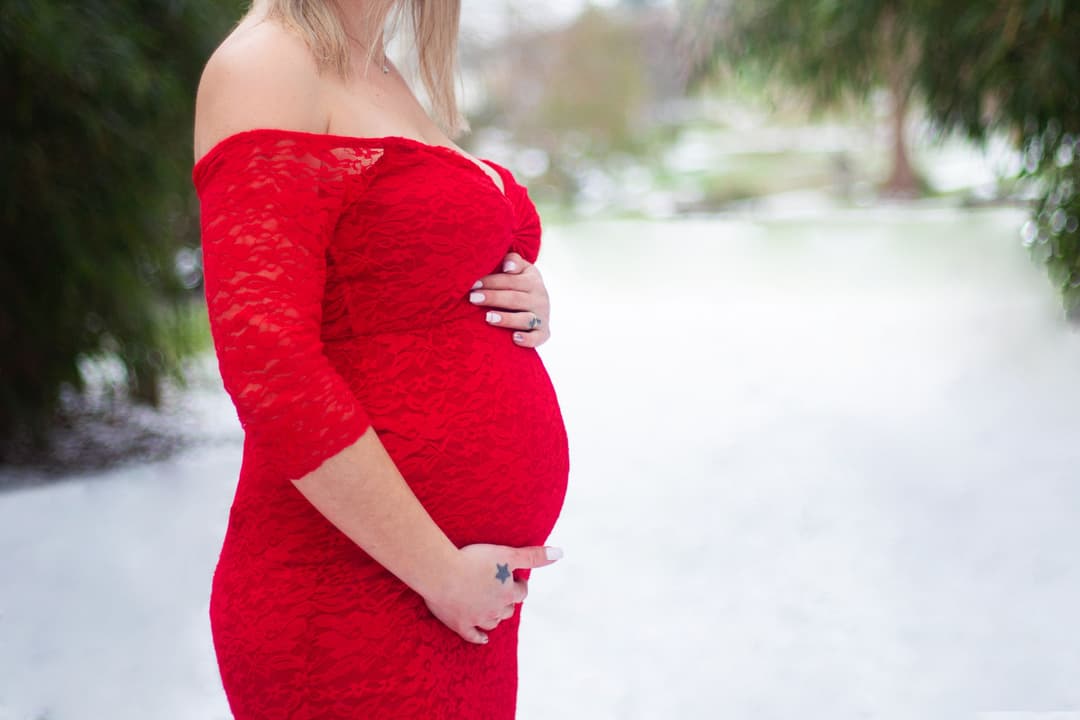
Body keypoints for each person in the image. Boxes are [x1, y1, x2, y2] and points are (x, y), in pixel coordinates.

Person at [191, 1, 570, 717]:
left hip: (452, 602)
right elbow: (268, 363)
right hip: (352, 601)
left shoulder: (376, 66)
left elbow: (397, 282)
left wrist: (519, 295)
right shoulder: (266, 64)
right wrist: (439, 572)